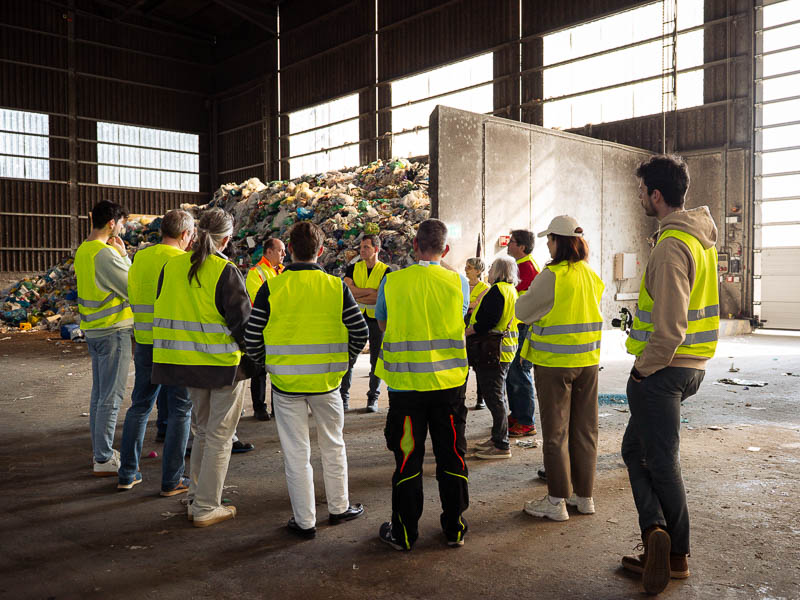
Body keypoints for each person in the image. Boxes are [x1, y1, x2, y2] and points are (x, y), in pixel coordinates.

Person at [620, 155, 719, 595]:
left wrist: (643, 371)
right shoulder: (698, 240)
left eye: (641, 192)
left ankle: (671, 551)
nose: (639, 197)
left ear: (656, 195)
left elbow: (670, 327)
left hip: (665, 370)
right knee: (637, 451)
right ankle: (657, 538)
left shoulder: (671, 247)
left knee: (659, 461)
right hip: (689, 367)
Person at [244, 221, 368, 539]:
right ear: (321, 250)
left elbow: (252, 335)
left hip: (286, 386)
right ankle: (339, 508)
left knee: (296, 454)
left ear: (290, 250)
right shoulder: (335, 287)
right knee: (333, 445)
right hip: (327, 383)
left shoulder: (272, 287)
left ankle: (304, 521)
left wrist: (267, 364)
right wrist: (344, 363)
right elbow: (360, 331)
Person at [374, 218, 471, 551]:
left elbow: (383, 324)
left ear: (414, 246)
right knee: (452, 457)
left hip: (405, 390)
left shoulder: (393, 282)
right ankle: (454, 528)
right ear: (445, 249)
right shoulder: (459, 282)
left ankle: (404, 534)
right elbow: (457, 320)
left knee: (407, 460)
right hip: (449, 389)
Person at [152, 208, 251, 528]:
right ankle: (207, 505)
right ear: (226, 238)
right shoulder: (225, 270)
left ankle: (197, 497)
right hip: (222, 367)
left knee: (204, 432)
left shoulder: (172, 266)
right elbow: (243, 325)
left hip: (187, 366)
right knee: (221, 436)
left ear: (194, 234)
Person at [515, 215, 604, 523]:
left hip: (555, 365)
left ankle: (556, 501)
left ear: (559, 241)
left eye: (550, 240)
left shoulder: (552, 275)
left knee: (556, 432)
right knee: (585, 429)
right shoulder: (590, 274)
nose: (548, 246)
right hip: (588, 363)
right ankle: (585, 496)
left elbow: (522, 312)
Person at [117, 209, 195, 495]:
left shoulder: (141, 258)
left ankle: (127, 473)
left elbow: (132, 293)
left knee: (140, 406)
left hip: (145, 342)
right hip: (175, 346)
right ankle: (172, 480)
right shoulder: (184, 261)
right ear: (185, 234)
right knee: (179, 412)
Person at [75, 200, 133, 476]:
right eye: (121, 223)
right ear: (112, 223)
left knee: (100, 394)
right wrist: (124, 257)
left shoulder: (83, 251)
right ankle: (103, 457)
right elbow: (132, 286)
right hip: (113, 332)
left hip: (94, 331)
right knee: (111, 397)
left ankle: (102, 450)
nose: (122, 228)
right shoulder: (105, 254)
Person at [465, 256, 520, 460]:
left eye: (491, 268)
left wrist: (470, 330)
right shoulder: (510, 290)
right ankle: (497, 436)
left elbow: (489, 320)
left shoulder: (497, 291)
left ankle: (501, 444)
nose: (488, 272)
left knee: (494, 397)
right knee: (498, 395)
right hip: (504, 350)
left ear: (497, 271)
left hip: (494, 351)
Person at [341, 234, 390, 412]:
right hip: (356, 319)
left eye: (366, 247)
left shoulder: (386, 271)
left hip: (377, 320)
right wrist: (370, 291)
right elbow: (347, 291)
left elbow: (380, 297)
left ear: (376, 249)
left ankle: (372, 399)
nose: (362, 251)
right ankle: (343, 398)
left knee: (376, 361)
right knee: (349, 359)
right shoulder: (353, 268)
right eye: (361, 247)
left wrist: (358, 293)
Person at [245, 237, 286, 421]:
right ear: (268, 252)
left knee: (279, 370)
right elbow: (258, 301)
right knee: (259, 370)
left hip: (280, 328)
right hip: (263, 327)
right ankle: (259, 407)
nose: (284, 254)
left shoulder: (284, 272)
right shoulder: (256, 273)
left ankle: (277, 407)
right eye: (280, 250)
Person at [505, 229, 540, 437]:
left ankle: (526, 421)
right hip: (518, 327)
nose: (508, 245)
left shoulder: (527, 268)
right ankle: (517, 414)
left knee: (520, 372)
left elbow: (523, 304)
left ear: (522, 247)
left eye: (512, 242)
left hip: (524, 327)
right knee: (513, 373)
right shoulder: (520, 266)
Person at [465, 257, 489, 410]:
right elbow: (467, 306)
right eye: (466, 266)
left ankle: (481, 398)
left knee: (479, 366)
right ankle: (460, 395)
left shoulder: (485, 288)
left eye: (469, 267)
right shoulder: (463, 286)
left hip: (477, 330)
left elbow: (474, 305)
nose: (466, 269)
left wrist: (469, 306)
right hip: (462, 329)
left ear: (478, 271)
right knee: (463, 365)